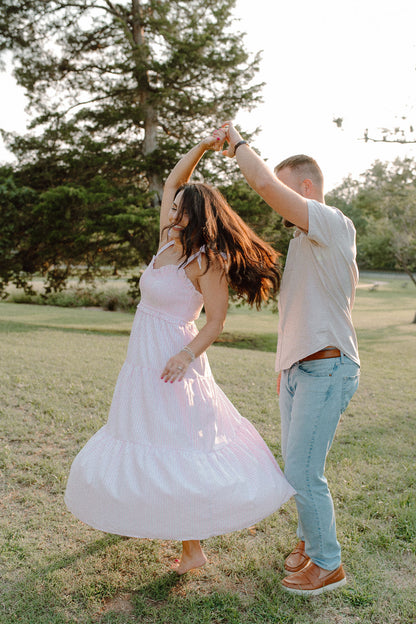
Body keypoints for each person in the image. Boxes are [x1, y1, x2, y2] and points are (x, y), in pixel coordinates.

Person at [64, 129, 295, 576]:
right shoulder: (166, 241)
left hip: (176, 362)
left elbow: (215, 322)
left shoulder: (208, 261)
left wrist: (186, 356)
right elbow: (173, 180)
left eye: (178, 207)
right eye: (172, 206)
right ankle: (140, 515)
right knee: (140, 436)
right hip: (141, 361)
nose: (170, 209)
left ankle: (193, 549)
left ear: (194, 214)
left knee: (178, 446)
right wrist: (205, 147)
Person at [221, 122, 360, 596]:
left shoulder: (332, 222)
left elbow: (261, 183)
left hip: (329, 366)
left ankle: (329, 563)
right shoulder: (303, 242)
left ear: (304, 187)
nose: (275, 204)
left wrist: (237, 143)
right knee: (295, 465)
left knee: (303, 471)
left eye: (284, 191)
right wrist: (284, 369)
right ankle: (309, 542)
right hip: (300, 370)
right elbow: (297, 313)